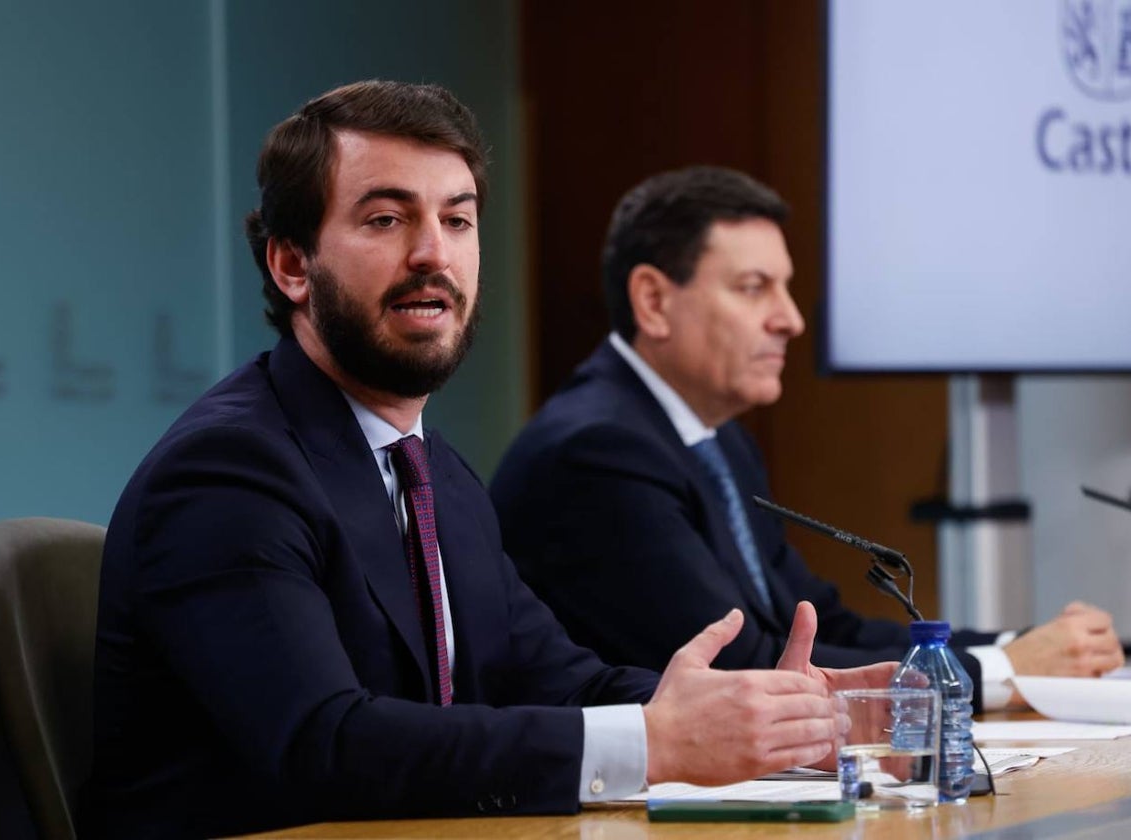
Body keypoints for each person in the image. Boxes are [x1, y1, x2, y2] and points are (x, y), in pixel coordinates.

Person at [85, 85, 893, 839]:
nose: (432, 254)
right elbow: (325, 745)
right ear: (293, 265)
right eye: (385, 220)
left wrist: (760, 712)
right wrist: (655, 743)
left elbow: (558, 681)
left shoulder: (433, 470)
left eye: (458, 220)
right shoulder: (231, 472)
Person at [490, 165, 1124, 714]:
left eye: (785, 287)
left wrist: (1011, 646)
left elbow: (823, 625)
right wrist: (1011, 671)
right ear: (653, 301)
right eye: (753, 288)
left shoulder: (718, 443)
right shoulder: (596, 454)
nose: (790, 318)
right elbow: (751, 665)